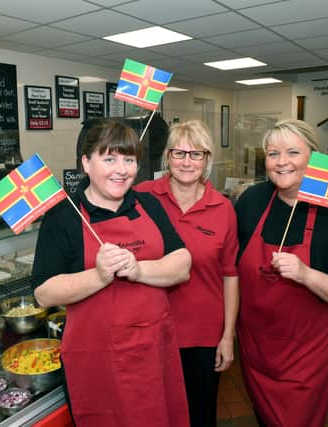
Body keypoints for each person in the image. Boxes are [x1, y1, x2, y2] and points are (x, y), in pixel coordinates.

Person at [31, 119, 192, 427]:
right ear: (86, 163)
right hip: (97, 361)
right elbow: (44, 293)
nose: (122, 169)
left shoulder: (149, 205)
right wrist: (100, 276)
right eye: (109, 159)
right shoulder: (63, 217)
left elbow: (182, 264)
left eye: (129, 159)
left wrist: (138, 268)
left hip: (153, 351)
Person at [234, 119, 328, 427]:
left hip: (305, 355)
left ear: (314, 157)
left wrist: (306, 275)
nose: (282, 162)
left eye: (293, 152)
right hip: (256, 346)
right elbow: (230, 269)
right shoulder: (252, 201)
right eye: (272, 154)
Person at [135, 120, 239, 427]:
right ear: (167, 156)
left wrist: (228, 336)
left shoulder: (223, 208)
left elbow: (230, 275)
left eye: (196, 154)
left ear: (207, 160)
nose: (187, 161)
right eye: (179, 152)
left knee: (200, 415)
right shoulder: (142, 197)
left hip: (202, 336)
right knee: (153, 413)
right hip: (149, 329)